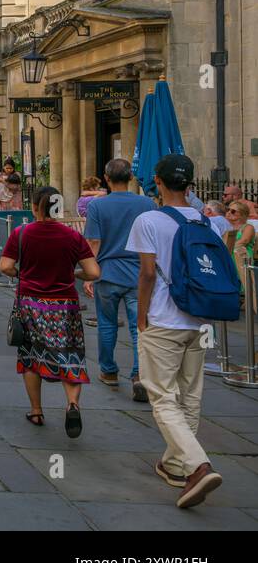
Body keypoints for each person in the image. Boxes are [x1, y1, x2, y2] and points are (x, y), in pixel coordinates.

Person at [126, 154, 226, 508]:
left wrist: (141, 315)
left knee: (163, 397)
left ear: (158, 181)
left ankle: (197, 466)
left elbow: (148, 275)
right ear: (190, 183)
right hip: (199, 321)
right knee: (190, 395)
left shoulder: (149, 220)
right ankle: (174, 464)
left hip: (165, 320)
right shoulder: (207, 221)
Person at [0, 186, 100, 437]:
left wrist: (22, 274)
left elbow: (5, 266)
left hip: (31, 304)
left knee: (31, 357)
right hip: (65, 305)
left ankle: (36, 411)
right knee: (71, 354)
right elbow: (94, 272)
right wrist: (74, 273)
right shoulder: (72, 237)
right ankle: (72, 404)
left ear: (34, 207)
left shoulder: (21, 234)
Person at [83, 158, 154, 402]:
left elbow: (93, 242)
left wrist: (89, 273)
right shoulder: (147, 203)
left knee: (106, 324)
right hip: (138, 273)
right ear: (131, 178)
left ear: (106, 178)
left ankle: (108, 371)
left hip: (107, 271)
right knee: (139, 327)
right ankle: (139, 375)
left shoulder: (97, 206)